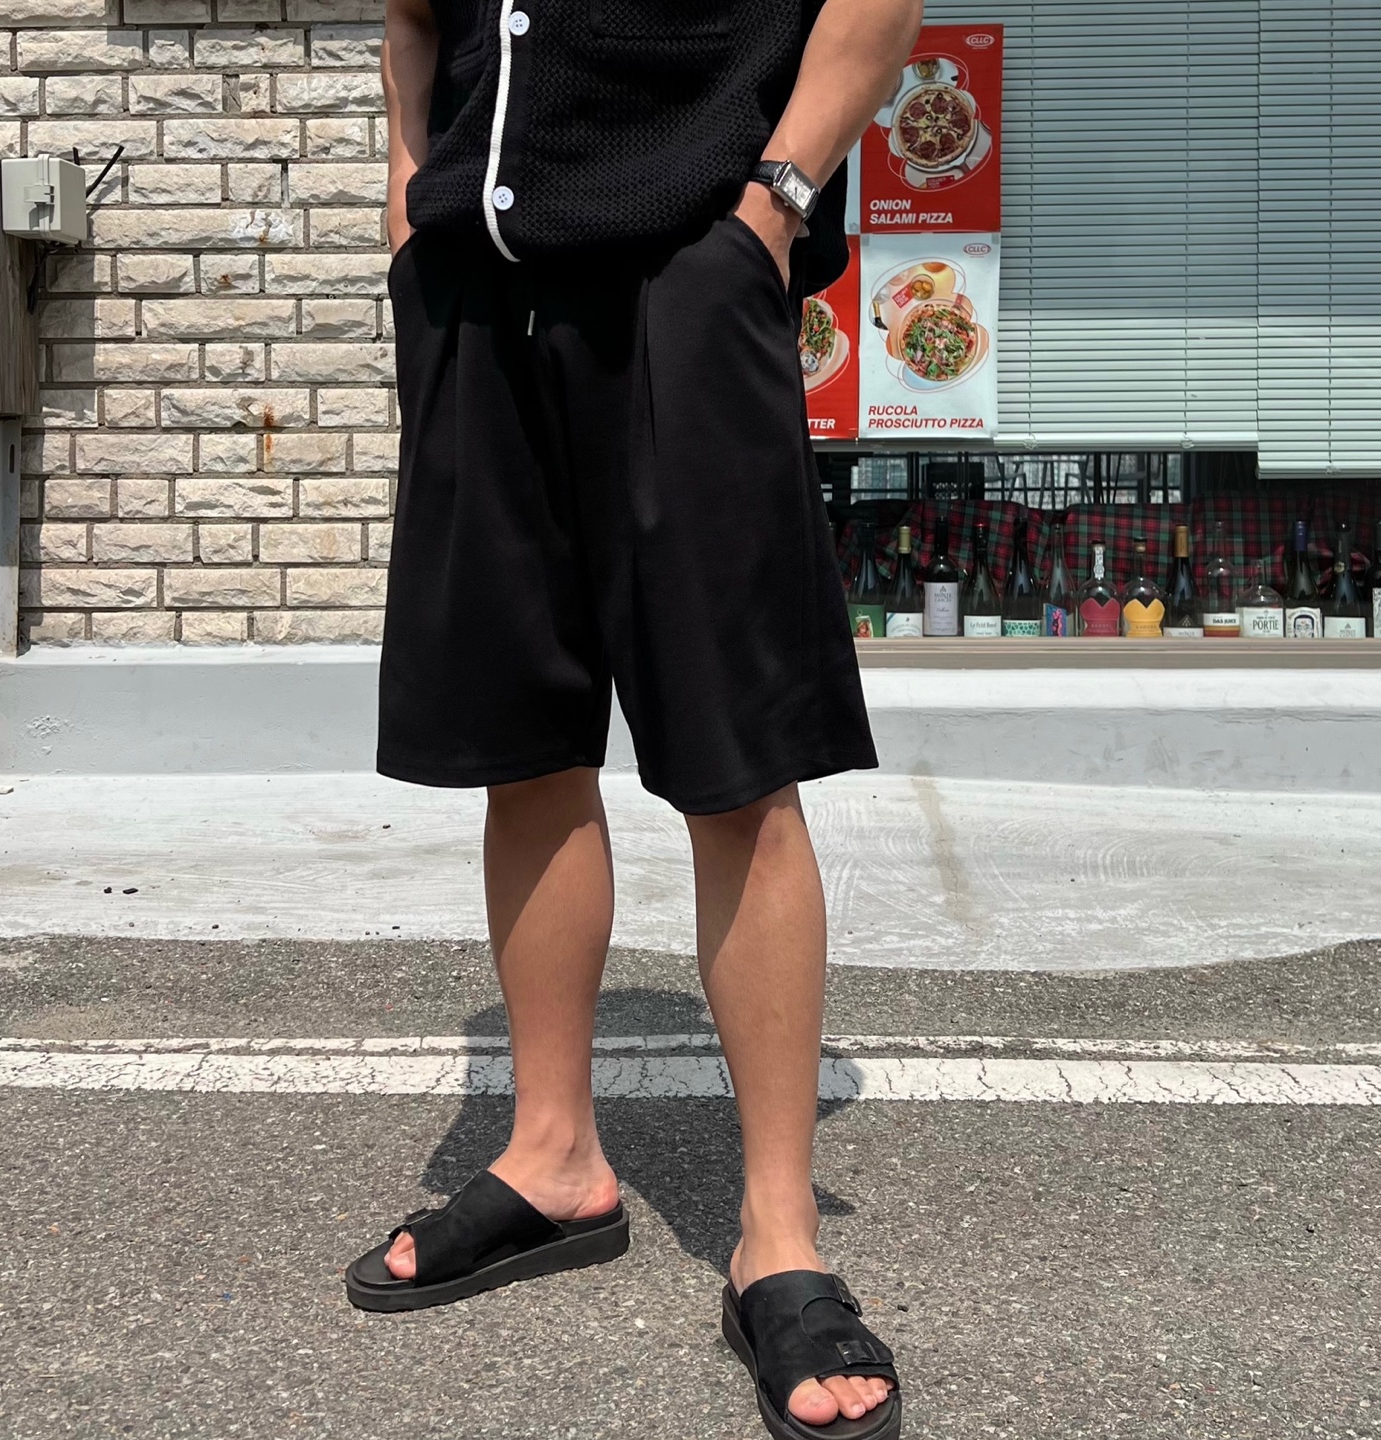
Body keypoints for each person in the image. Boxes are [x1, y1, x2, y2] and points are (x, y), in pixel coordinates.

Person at [346, 2, 923, 1436]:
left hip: (686, 275)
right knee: (522, 748)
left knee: (740, 765)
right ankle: (553, 1156)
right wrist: (408, 207)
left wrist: (768, 211)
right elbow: (409, 21)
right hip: (476, 299)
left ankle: (778, 1231)